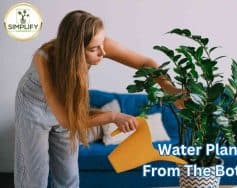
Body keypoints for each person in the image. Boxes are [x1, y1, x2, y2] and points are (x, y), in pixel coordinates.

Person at [14, 10, 182, 188]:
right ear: (74, 52)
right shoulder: (44, 59)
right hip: (34, 105)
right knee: (34, 176)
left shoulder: (99, 44)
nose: (103, 52)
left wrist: (170, 89)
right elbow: (67, 121)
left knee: (69, 175)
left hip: (65, 106)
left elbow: (145, 63)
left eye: (102, 44)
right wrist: (113, 117)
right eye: (94, 49)